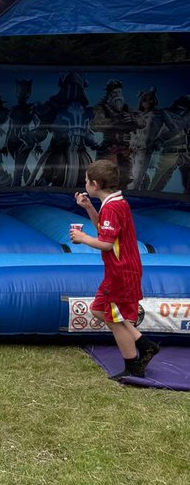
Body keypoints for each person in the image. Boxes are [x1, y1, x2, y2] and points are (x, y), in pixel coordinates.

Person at [70, 159, 159, 381]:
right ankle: (143, 344)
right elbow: (105, 230)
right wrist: (89, 207)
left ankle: (134, 362)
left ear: (96, 184)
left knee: (111, 315)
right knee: (100, 309)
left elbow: (107, 243)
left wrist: (83, 238)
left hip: (121, 271)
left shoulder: (112, 206)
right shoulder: (115, 203)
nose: (85, 184)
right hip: (120, 270)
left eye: (87, 181)